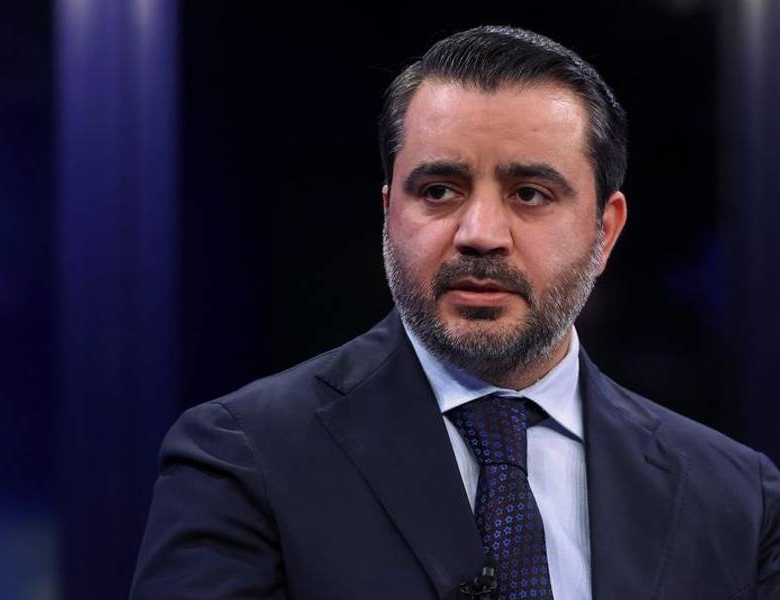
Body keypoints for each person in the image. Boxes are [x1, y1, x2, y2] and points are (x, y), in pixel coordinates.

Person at [131, 26, 780, 599]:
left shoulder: (737, 499)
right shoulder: (243, 459)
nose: (480, 233)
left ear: (604, 231)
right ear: (389, 212)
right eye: (439, 190)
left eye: (530, 193)